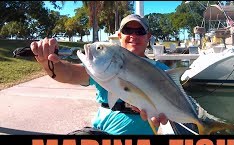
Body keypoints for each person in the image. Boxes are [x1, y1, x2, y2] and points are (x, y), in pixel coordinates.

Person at [30, 14, 169, 135]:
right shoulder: (104, 65)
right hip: (101, 135)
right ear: (120, 36)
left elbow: (176, 101)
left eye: (140, 31)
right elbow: (70, 74)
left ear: (148, 36)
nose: (133, 36)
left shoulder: (162, 71)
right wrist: (49, 64)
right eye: (128, 30)